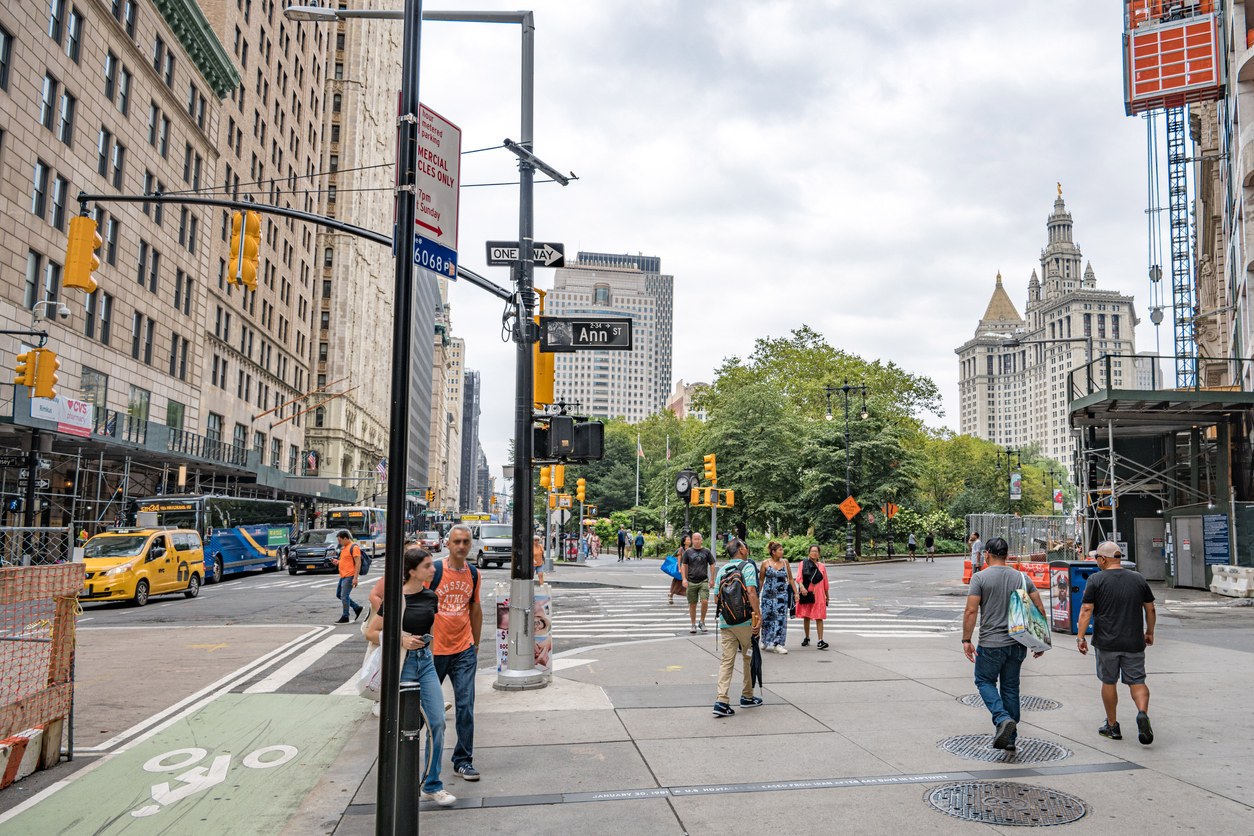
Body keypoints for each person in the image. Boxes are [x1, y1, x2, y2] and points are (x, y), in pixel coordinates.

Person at [363, 547, 455, 806]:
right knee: (401, 728)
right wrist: (401, 639)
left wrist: (432, 657)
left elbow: (432, 630)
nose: (433, 569)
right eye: (427, 566)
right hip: (401, 665)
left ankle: (432, 784)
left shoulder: (430, 596)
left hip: (425, 663)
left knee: (437, 721)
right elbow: (371, 632)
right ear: (412, 571)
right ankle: (395, 782)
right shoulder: (394, 598)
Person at [962, 536, 1047, 751]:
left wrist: (966, 640)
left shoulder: (979, 578)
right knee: (1011, 687)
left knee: (984, 681)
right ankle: (1010, 737)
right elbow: (1039, 609)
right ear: (1007, 555)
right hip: (1018, 643)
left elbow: (971, 611)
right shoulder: (1022, 578)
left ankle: (1001, 719)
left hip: (991, 643)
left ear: (987, 554)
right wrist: (1039, 643)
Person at [1076, 541, 1156, 744]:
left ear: (1103, 559)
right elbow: (1150, 610)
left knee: (1109, 681)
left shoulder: (1096, 579)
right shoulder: (1138, 578)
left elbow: (1086, 610)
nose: (1096, 562)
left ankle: (1112, 726)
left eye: (1097, 558)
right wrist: (1149, 632)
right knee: (1137, 681)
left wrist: (1080, 637)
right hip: (1134, 641)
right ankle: (1142, 713)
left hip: (1107, 642)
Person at [430, 523, 483, 782]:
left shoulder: (473, 573)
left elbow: (475, 609)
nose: (461, 546)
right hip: (434, 650)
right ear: (447, 543)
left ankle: (462, 761)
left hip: (463, 649)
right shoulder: (435, 571)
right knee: (426, 710)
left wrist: (476, 644)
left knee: (465, 707)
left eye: (466, 542)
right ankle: (409, 756)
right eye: (457, 541)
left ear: (470, 545)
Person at [712, 538, 762, 717]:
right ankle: (747, 696)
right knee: (749, 657)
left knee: (726, 661)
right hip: (746, 623)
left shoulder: (722, 570)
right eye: (745, 547)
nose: (747, 549)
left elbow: (717, 598)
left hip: (727, 623)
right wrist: (758, 616)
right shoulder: (747, 567)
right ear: (740, 549)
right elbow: (751, 592)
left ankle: (721, 701)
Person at [758, 541, 796, 653]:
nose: (782, 552)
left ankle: (778, 644)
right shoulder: (765, 563)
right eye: (780, 550)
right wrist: (756, 595)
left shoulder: (785, 562)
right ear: (773, 552)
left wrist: (796, 593)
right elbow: (761, 580)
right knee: (767, 619)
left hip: (781, 596)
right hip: (768, 597)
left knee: (780, 620)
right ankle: (765, 640)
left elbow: (790, 579)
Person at [681, 532, 717, 633]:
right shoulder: (688, 552)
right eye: (695, 539)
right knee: (693, 604)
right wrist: (684, 579)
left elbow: (712, 564)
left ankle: (702, 621)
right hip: (691, 581)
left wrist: (712, 579)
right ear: (692, 540)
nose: (697, 541)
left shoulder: (706, 551)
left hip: (703, 581)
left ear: (701, 540)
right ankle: (693, 624)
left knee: (704, 601)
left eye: (698, 539)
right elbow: (683, 565)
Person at [796, 545, 829, 649]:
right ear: (809, 553)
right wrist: (802, 588)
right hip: (807, 593)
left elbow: (825, 584)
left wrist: (827, 597)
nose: (814, 553)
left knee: (819, 617)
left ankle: (820, 640)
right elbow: (799, 578)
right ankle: (807, 637)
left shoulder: (822, 567)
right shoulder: (803, 564)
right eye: (812, 551)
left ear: (819, 554)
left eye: (816, 551)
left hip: (819, 595)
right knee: (807, 616)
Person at [332, 530, 363, 624]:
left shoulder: (354, 547)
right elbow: (345, 560)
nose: (339, 543)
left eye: (340, 540)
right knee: (339, 595)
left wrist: (355, 577)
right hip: (343, 575)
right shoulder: (345, 547)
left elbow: (358, 563)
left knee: (344, 596)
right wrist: (337, 562)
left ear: (345, 538)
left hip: (349, 575)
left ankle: (345, 616)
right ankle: (357, 608)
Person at [669, 533, 691, 605]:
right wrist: (679, 569)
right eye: (688, 540)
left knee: (688, 583)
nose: (689, 541)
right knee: (677, 582)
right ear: (684, 542)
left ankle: (689, 599)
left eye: (689, 539)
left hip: (688, 569)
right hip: (682, 568)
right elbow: (679, 559)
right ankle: (671, 594)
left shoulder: (691, 549)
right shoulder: (681, 549)